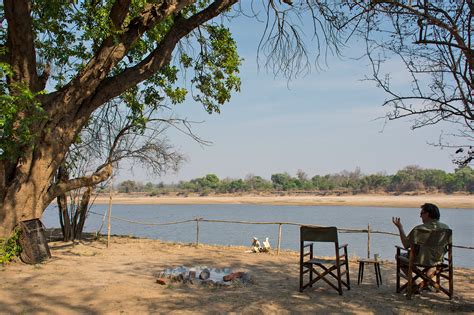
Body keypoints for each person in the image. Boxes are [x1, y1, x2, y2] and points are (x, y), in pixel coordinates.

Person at [392, 203, 450, 292]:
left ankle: (414, 284)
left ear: (427, 214)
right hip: (438, 259)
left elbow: (406, 245)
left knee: (398, 256)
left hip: (420, 260)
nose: (420, 216)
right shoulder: (446, 228)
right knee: (431, 261)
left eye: (421, 213)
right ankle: (426, 281)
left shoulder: (419, 229)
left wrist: (400, 228)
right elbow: (447, 247)